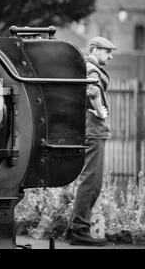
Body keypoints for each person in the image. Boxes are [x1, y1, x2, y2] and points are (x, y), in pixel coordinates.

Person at [67, 36, 117, 246]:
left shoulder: (88, 66)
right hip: (94, 131)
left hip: (93, 131)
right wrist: (100, 112)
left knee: (90, 181)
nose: (110, 55)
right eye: (107, 51)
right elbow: (92, 89)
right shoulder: (91, 67)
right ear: (95, 49)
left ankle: (75, 230)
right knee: (91, 182)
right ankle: (80, 231)